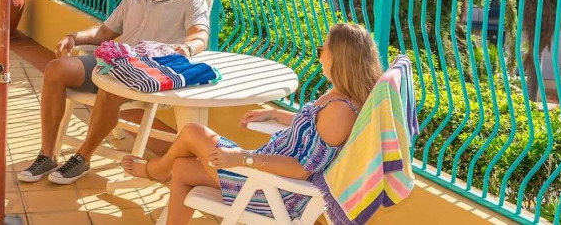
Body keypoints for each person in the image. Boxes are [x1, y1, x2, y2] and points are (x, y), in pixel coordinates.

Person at [120, 23, 382, 225]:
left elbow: (302, 170)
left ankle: (156, 170)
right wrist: (275, 115)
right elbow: (312, 130)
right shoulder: (339, 98)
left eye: (323, 50)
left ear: (339, 59)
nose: (320, 55)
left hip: (274, 191)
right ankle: (163, 170)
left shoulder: (341, 112)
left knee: (192, 132)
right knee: (182, 168)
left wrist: (242, 158)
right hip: (264, 175)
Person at [18, 0, 211, 185]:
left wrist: (188, 48)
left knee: (110, 88)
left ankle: (82, 157)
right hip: (113, 61)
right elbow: (103, 33)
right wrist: (73, 37)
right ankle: (47, 155)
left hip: (145, 72)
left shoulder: (191, 1)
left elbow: (200, 35)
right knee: (56, 69)